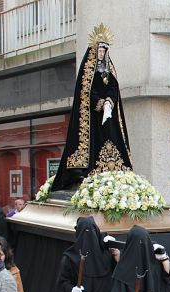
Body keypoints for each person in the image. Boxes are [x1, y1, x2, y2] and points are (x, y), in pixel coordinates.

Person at [51, 23, 133, 192]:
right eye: (100, 50)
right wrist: (100, 103)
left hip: (108, 114)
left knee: (112, 136)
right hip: (92, 117)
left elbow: (114, 88)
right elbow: (86, 93)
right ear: (95, 50)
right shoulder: (87, 70)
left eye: (105, 50)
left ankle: (115, 167)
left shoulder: (110, 70)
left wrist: (110, 101)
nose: (102, 53)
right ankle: (86, 170)